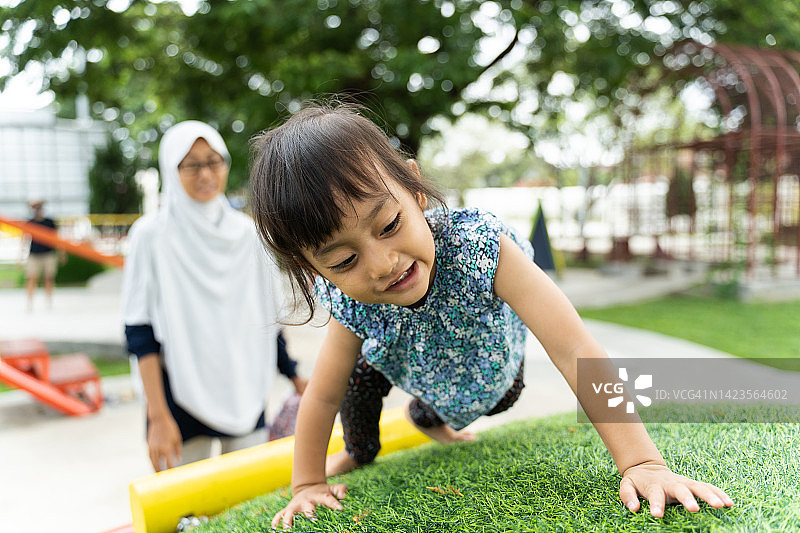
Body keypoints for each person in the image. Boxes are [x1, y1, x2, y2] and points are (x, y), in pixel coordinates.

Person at [247, 103, 735, 530]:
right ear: (313, 271)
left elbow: (576, 348)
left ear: (415, 191)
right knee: (357, 387)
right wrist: (306, 481)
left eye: (390, 225)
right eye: (343, 261)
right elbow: (324, 393)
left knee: (492, 399)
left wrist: (643, 460)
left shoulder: (479, 247)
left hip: (488, 366)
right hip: (395, 357)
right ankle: (360, 450)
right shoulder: (349, 304)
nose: (383, 264)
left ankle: (426, 414)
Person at [121, 120, 307, 472]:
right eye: (191, 164)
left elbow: (267, 317)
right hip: (178, 397)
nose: (205, 173)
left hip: (244, 389)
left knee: (246, 509)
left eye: (214, 161)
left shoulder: (249, 234)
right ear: (171, 170)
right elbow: (139, 331)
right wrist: (157, 416)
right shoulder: (151, 236)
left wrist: (294, 376)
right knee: (184, 513)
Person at [21, 199, 64, 311]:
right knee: (31, 278)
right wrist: (20, 255)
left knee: (49, 278)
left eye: (38, 206)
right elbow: (24, 239)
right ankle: (29, 303)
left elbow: (57, 238)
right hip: (34, 254)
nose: (37, 209)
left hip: (48, 253)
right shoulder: (29, 222)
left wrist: (61, 253)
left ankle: (49, 302)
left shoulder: (50, 222)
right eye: (35, 207)